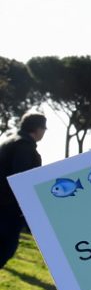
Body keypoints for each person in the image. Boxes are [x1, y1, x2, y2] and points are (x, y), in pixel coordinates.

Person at [0, 112, 46, 268]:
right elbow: (22, 181)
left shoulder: (9, 141)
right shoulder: (25, 147)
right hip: (7, 212)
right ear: (38, 129)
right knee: (5, 249)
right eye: (44, 128)